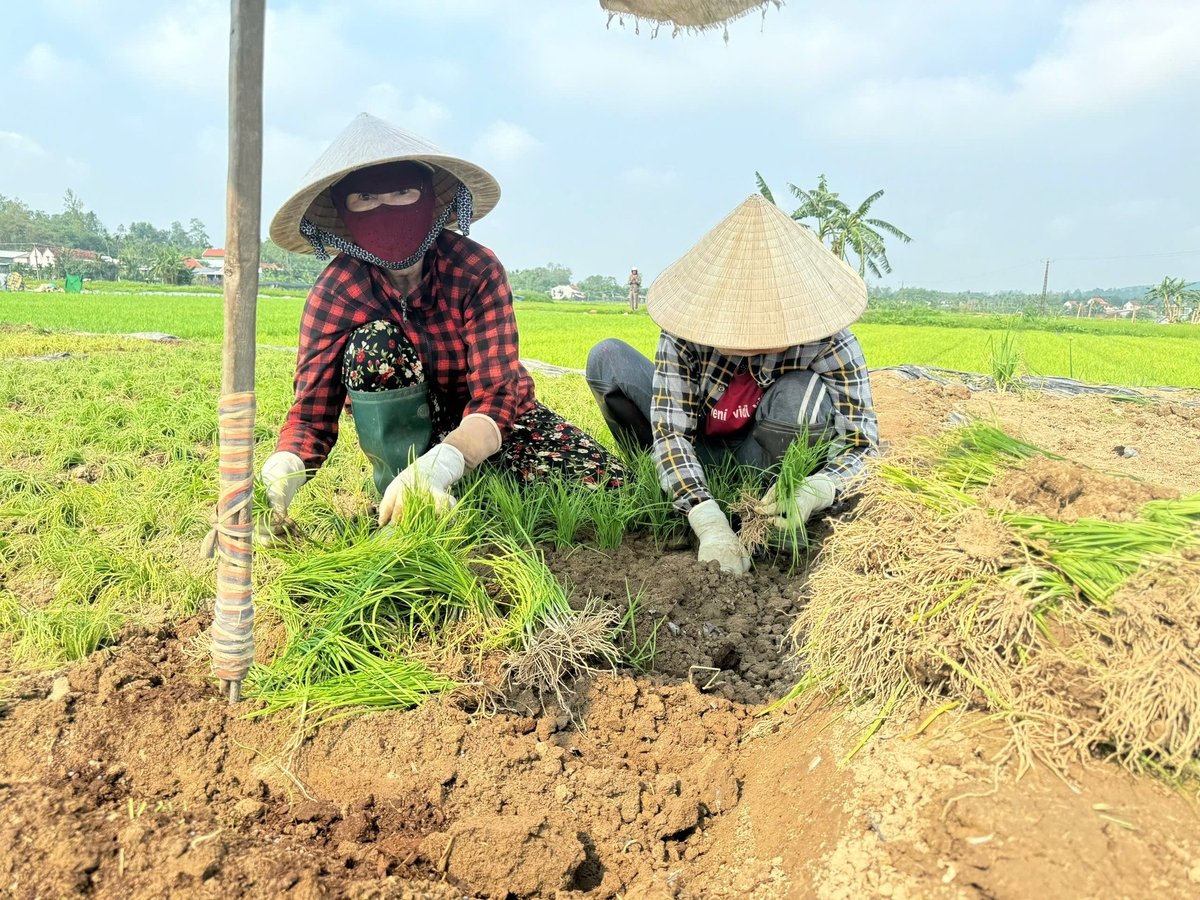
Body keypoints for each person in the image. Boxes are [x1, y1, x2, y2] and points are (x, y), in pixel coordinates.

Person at [259, 113, 624, 537]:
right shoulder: (338, 292)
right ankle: (401, 499)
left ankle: (451, 475)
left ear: (430, 198)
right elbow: (311, 416)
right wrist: (279, 478)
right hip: (412, 425)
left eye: (403, 191)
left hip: (486, 421)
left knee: (607, 485)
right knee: (373, 343)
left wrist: (448, 460)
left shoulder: (474, 269)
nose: (387, 209)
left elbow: (497, 393)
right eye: (364, 198)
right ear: (344, 212)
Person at [585, 193, 879, 574]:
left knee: (801, 395)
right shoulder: (684, 334)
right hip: (700, 444)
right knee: (608, 358)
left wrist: (817, 489)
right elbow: (671, 433)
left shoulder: (830, 342)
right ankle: (662, 480)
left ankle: (764, 504)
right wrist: (706, 517)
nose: (749, 344)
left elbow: (864, 445)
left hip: (761, 455)